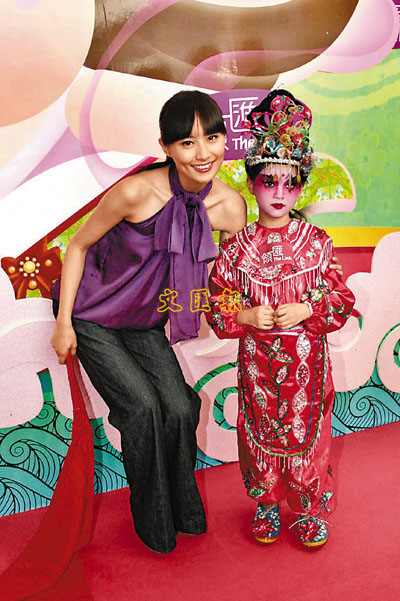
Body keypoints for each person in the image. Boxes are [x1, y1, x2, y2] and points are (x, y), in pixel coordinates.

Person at [50, 90, 247, 554]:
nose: (203, 153)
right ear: (166, 147)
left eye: (212, 138)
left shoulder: (229, 207)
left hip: (144, 323)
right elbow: (77, 246)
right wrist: (64, 323)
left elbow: (233, 279)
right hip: (93, 316)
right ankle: (154, 523)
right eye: (187, 142)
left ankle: (185, 510)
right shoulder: (136, 191)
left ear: (225, 139)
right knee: (141, 408)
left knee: (179, 407)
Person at [205, 89, 355, 547]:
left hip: (308, 368)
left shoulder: (318, 242)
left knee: (312, 436)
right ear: (252, 183)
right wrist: (247, 313)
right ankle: (267, 504)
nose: (278, 193)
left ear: (300, 187)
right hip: (258, 369)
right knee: (257, 435)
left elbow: (341, 298)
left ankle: (309, 508)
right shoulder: (237, 248)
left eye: (289, 184)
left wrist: (309, 308)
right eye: (268, 181)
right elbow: (216, 304)